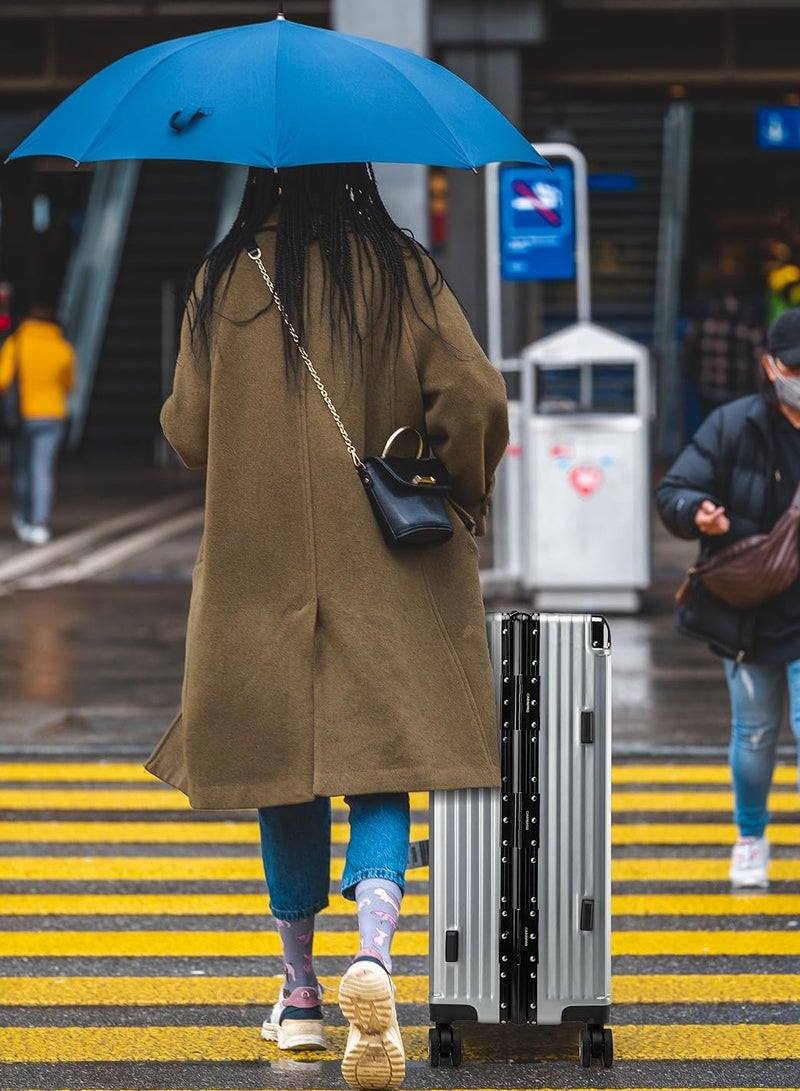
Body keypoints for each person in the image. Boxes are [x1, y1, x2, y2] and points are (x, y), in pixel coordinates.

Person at [144, 163, 509, 1089]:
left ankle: (301, 995)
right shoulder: (400, 267)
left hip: (255, 571)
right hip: (385, 561)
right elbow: (472, 396)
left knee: (284, 773)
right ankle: (374, 958)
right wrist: (464, 492)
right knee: (382, 760)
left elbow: (189, 432)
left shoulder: (225, 275)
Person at [656, 306, 800, 891]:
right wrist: (698, 513)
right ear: (771, 366)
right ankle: (750, 836)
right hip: (748, 610)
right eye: (795, 368)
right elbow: (675, 490)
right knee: (756, 733)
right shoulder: (735, 425)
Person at [0, 300, 76, 545]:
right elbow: (69, 384)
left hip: (23, 415)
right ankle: (40, 522)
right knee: (42, 469)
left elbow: (3, 379)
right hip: (53, 415)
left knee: (23, 469)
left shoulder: (17, 343)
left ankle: (23, 517)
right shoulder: (62, 347)